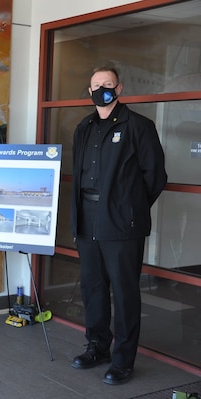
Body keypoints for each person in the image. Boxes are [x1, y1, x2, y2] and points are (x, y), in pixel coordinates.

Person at [70, 66, 167, 385]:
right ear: (89, 91)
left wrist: (130, 209)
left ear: (119, 88)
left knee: (125, 294)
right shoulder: (83, 127)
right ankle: (98, 347)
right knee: (93, 288)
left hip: (122, 224)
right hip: (88, 219)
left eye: (107, 85)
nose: (102, 90)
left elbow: (155, 177)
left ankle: (124, 360)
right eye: (96, 85)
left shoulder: (139, 126)